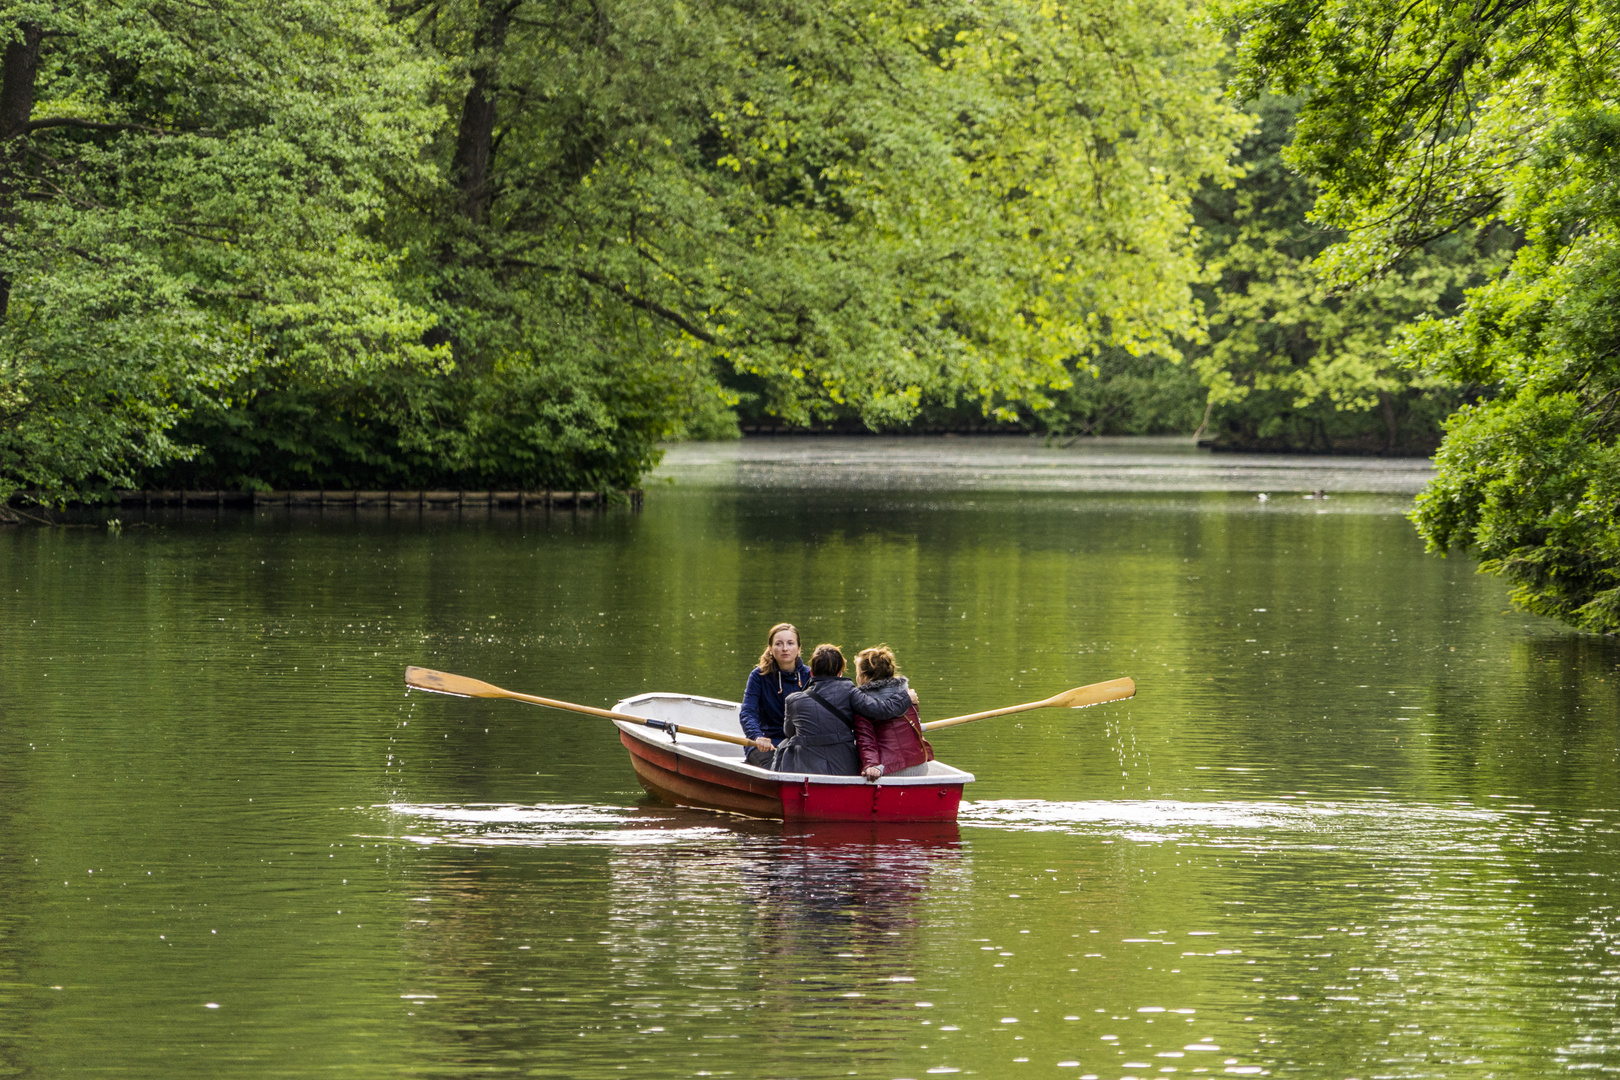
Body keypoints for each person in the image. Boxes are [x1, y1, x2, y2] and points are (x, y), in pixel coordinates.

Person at [772, 643, 861, 775]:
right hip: (846, 768)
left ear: (812, 672)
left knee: (785, 744)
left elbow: (789, 732)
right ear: (840, 673)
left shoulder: (793, 700)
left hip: (806, 770)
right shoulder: (852, 692)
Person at [849, 645, 933, 782]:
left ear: (863, 676)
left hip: (887, 770)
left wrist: (871, 765)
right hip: (920, 765)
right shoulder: (907, 694)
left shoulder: (862, 702)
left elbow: (866, 740)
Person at [739, 622, 811, 768]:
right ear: (770, 649)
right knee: (776, 767)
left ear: (799, 648)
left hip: (799, 743)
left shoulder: (809, 675)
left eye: (790, 643)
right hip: (766, 743)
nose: (785, 648)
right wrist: (757, 736)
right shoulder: (758, 676)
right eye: (779, 644)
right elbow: (747, 712)